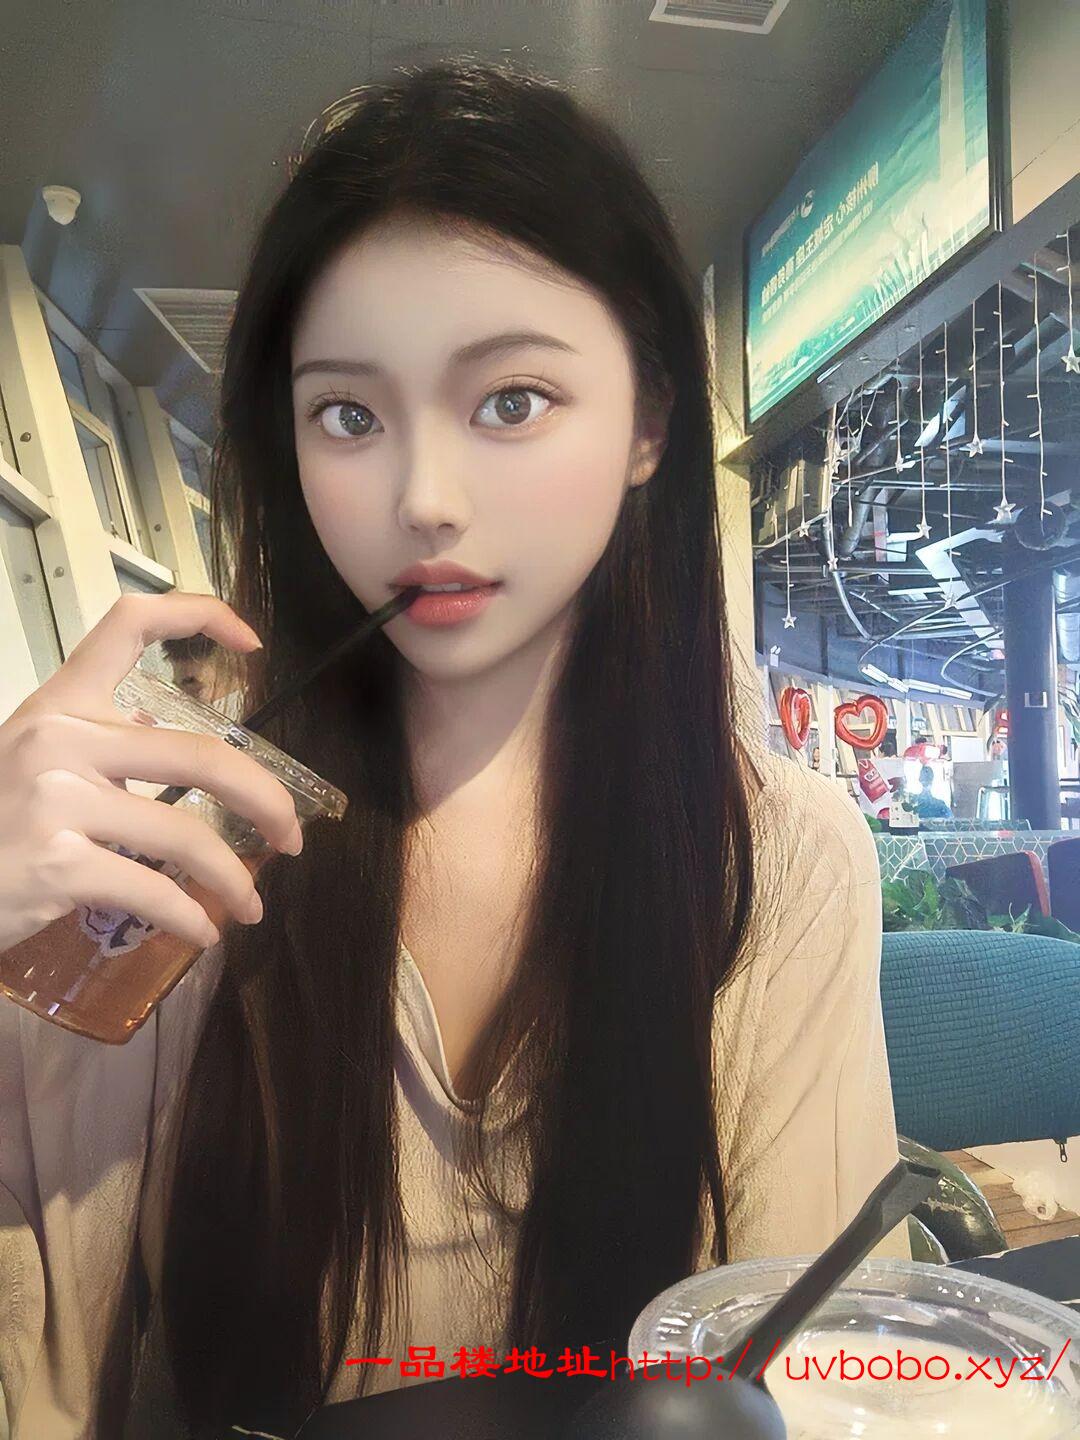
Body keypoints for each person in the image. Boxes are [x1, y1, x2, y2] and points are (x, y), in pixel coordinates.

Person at [0, 60, 907, 1439]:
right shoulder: (176, 830)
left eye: (511, 400)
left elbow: (827, 1381)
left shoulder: (777, 857)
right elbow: (46, 1365)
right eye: (348, 416)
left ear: (650, 423)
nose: (423, 501)